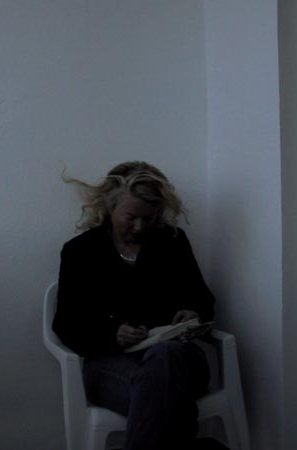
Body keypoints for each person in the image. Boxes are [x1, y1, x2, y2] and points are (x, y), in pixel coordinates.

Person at [56, 161, 221, 449]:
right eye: (130, 217)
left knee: (164, 358)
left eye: (149, 217)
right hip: (111, 366)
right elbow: (67, 323)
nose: (140, 226)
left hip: (179, 359)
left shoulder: (172, 241)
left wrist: (193, 311)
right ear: (110, 207)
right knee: (165, 400)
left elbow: (203, 299)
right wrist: (112, 333)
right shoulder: (80, 252)